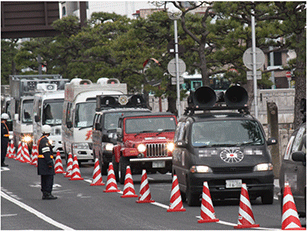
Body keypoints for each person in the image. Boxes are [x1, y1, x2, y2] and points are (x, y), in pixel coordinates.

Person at [37, 125, 57, 200]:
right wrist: (49, 162)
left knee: (44, 178)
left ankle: (45, 193)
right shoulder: (44, 141)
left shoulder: (42, 139)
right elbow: (46, 152)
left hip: (42, 162)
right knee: (48, 178)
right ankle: (47, 193)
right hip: (45, 162)